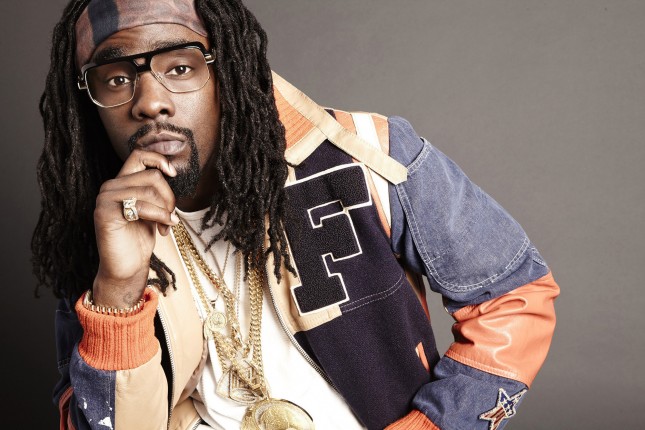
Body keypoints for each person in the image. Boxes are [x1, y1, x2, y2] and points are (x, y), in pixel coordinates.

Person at [33, 0, 560, 429]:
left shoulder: (367, 153)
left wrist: (434, 425)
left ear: (228, 70)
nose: (149, 102)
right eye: (116, 79)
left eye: (180, 67)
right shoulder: (102, 234)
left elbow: (515, 295)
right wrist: (118, 291)